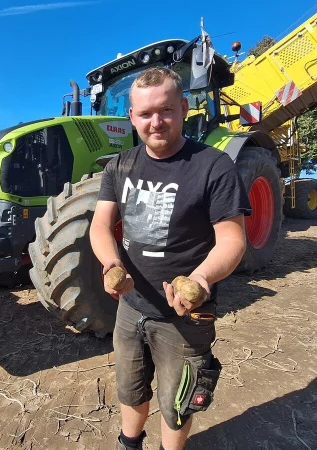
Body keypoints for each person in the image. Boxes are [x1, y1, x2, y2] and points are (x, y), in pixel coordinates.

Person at [89, 66, 251, 450]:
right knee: (130, 390)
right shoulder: (120, 165)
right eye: (145, 114)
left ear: (183, 108)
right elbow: (100, 226)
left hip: (184, 316)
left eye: (166, 111)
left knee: (177, 402)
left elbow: (232, 240)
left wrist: (200, 281)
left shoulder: (213, 166)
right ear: (132, 117)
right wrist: (112, 265)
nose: (156, 122)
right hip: (130, 307)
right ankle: (130, 444)